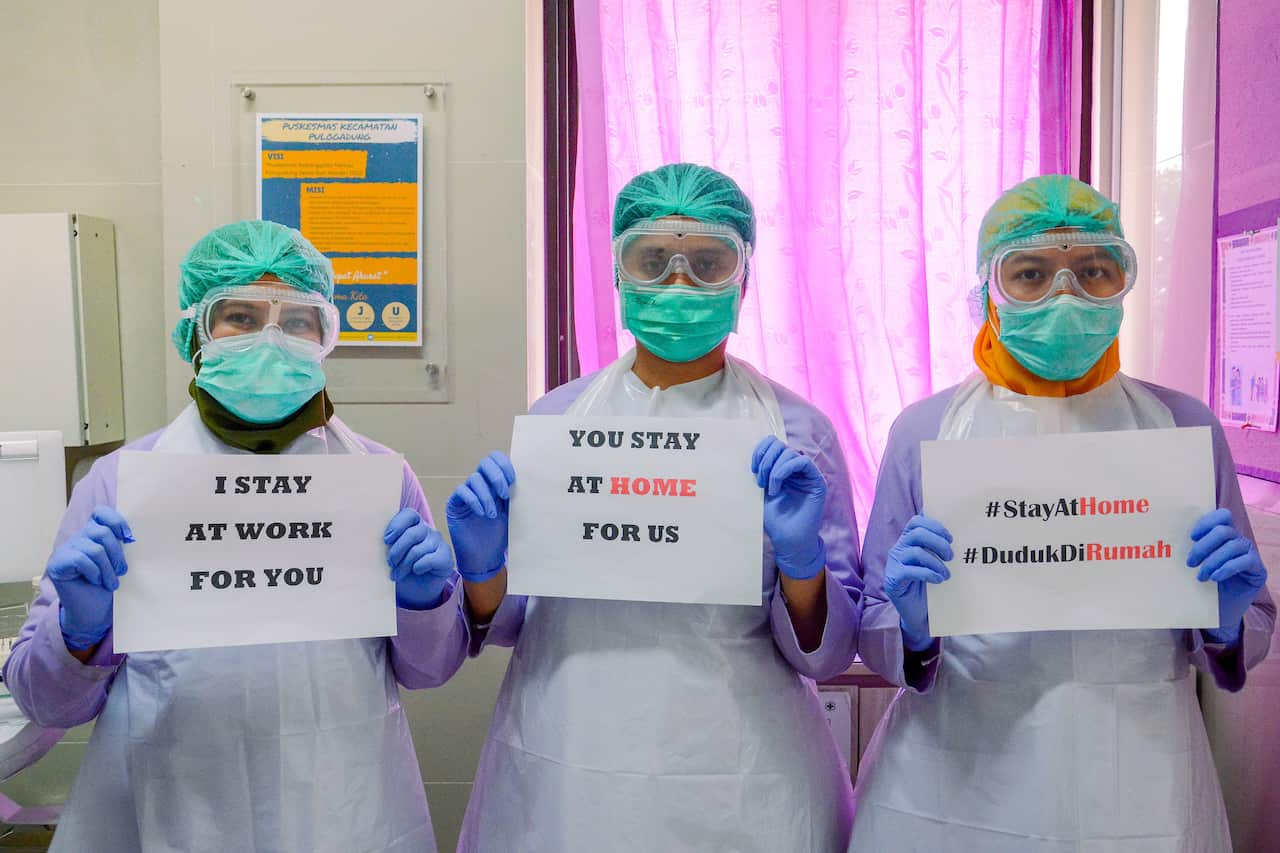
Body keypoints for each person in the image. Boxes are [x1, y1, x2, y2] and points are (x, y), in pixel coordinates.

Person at [4, 221, 468, 852]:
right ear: (195, 332)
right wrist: (79, 634)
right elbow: (47, 705)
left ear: (324, 338)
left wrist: (425, 604)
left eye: (297, 321)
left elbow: (431, 669)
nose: (269, 340)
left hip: (340, 799)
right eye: (241, 318)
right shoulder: (118, 483)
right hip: (172, 801)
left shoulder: (379, 479)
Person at [851, 175, 1276, 851]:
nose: (1065, 295)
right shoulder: (925, 431)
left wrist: (1226, 624)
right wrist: (913, 629)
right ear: (988, 291)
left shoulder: (1182, 427)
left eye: (1094, 271)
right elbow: (874, 625)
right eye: (1030, 273)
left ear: (1122, 285)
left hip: (1137, 776)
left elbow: (1248, 632)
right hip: (959, 776)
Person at [449, 163, 861, 852]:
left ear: (743, 280)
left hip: (741, 767)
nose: (678, 283)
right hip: (570, 752)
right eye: (651, 261)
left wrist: (803, 565)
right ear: (618, 274)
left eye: (708, 262)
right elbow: (513, 620)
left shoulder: (799, 433)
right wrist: (485, 570)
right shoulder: (559, 421)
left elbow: (827, 655)